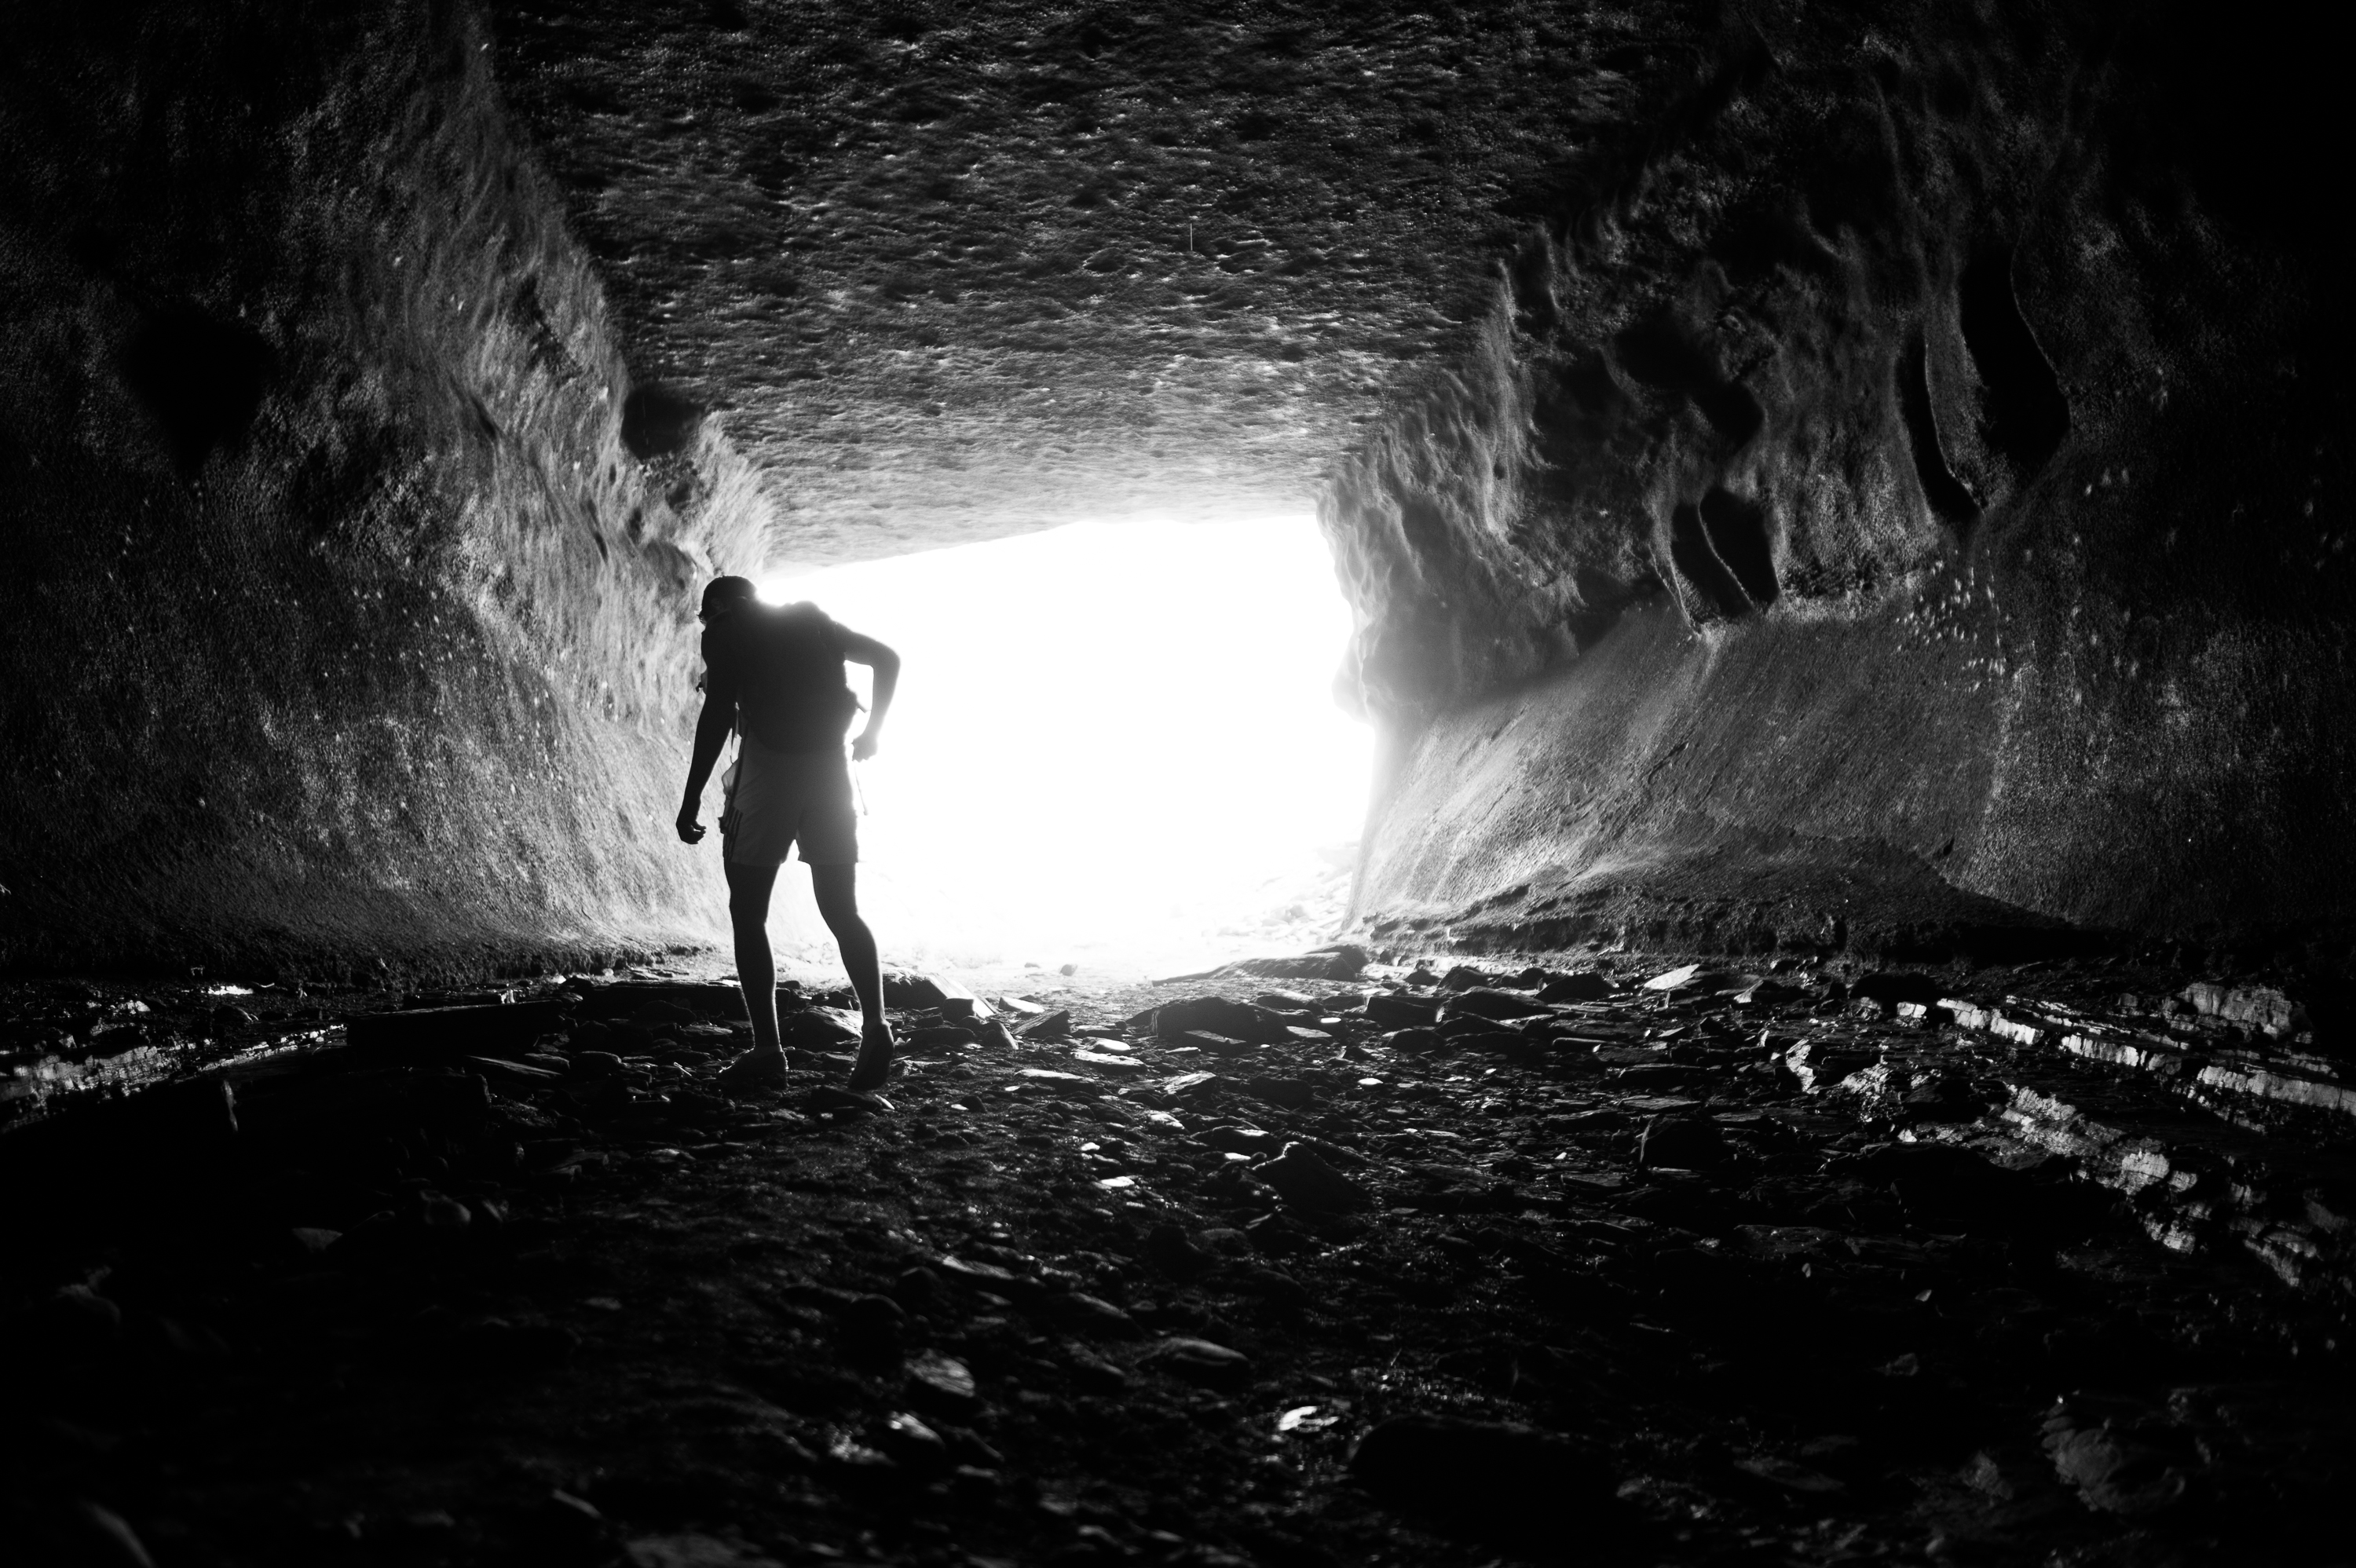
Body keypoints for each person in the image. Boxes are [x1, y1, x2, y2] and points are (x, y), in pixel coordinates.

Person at [675, 576, 901, 1092]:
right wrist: (873, 731)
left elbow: (716, 716)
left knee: (747, 911)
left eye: (705, 617)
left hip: (771, 773)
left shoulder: (725, 631)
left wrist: (691, 797)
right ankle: (875, 1026)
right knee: (842, 909)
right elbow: (888, 658)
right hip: (830, 769)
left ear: (717, 607)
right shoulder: (810, 622)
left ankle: (768, 1050)